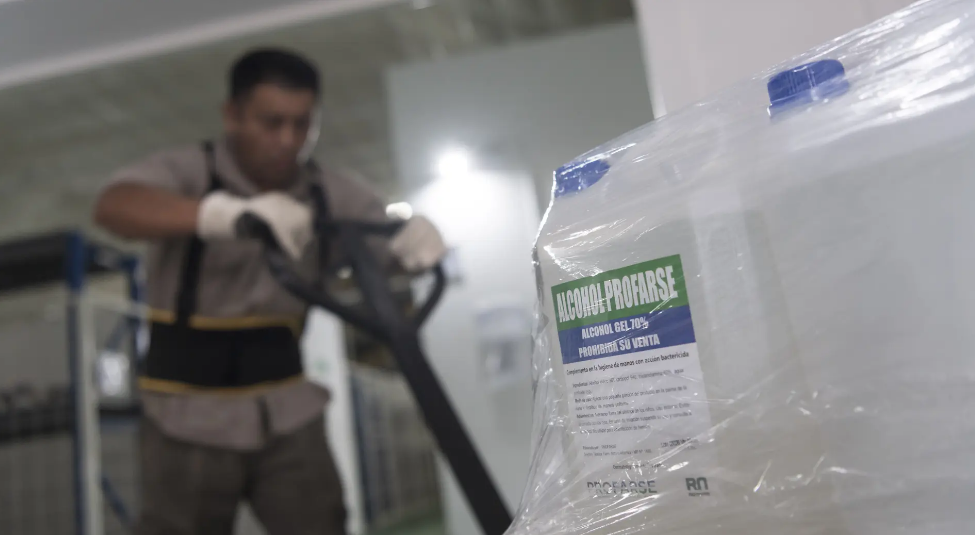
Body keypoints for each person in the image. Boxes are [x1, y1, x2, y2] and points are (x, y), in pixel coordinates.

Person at [93, 47, 446, 535]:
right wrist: (219, 215)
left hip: (287, 412)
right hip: (185, 416)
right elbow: (114, 206)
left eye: (303, 124)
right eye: (271, 122)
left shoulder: (330, 191)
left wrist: (412, 238)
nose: (288, 140)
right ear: (232, 115)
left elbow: (385, 240)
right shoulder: (189, 171)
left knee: (322, 523)